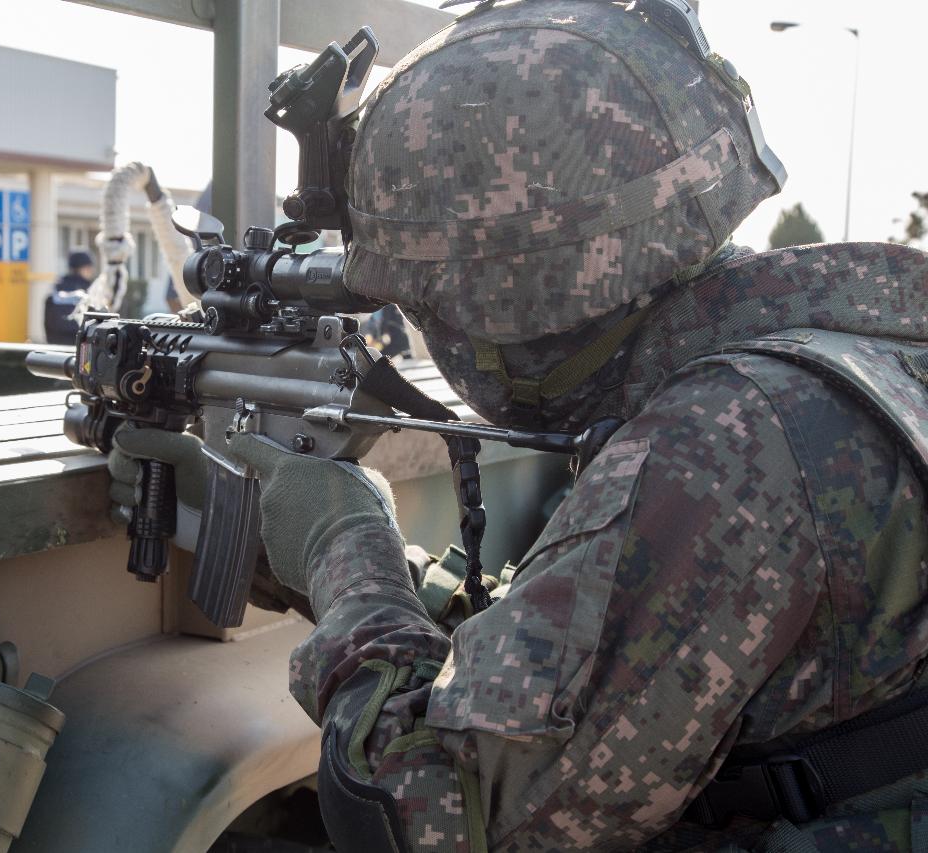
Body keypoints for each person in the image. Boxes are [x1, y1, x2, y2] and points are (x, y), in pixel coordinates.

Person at [110, 1, 928, 850]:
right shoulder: (861, 341)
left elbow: (426, 812)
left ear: (499, 314)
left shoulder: (722, 447)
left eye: (421, 303)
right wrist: (378, 578)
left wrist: (342, 546)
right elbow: (605, 648)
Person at [44, 250, 96, 345]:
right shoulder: (89, 289)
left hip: (55, 346)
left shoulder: (56, 287)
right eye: (89, 267)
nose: (91, 271)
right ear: (84, 268)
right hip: (80, 347)